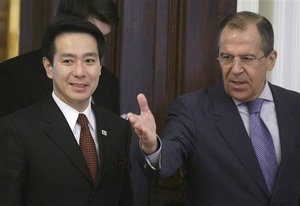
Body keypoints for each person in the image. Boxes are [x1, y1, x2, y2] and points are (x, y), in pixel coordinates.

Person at [128, 11, 300, 205]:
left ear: (271, 60)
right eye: (227, 57)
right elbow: (166, 161)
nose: (235, 69)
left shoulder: (294, 106)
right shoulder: (193, 109)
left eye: (247, 58)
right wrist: (152, 147)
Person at [0, 15, 132, 205]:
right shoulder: (17, 130)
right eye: (68, 61)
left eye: (89, 60)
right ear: (49, 68)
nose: (80, 72)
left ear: (100, 67)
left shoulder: (118, 129)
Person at [0, 0, 120, 117]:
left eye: (104, 37)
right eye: (91, 35)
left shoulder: (108, 82)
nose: (99, 45)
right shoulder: (13, 77)